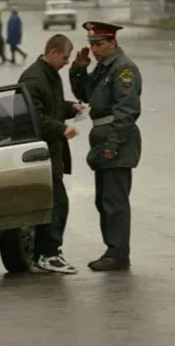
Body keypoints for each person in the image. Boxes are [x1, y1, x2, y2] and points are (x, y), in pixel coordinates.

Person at [69, 21, 142, 272]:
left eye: (99, 44)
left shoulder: (123, 69)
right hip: (104, 138)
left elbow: (127, 110)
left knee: (114, 201)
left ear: (113, 42)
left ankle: (118, 254)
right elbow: (86, 95)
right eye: (92, 45)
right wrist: (79, 70)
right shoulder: (104, 68)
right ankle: (113, 250)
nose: (95, 49)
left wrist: (113, 144)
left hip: (116, 140)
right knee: (104, 200)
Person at [18, 34, 85, 274]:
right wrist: (61, 129)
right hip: (39, 153)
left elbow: (51, 106)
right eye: (65, 57)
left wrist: (71, 108)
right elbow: (33, 116)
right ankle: (48, 254)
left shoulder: (49, 75)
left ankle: (42, 253)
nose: (66, 63)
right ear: (53, 52)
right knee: (57, 204)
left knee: (54, 203)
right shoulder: (34, 78)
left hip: (50, 153)